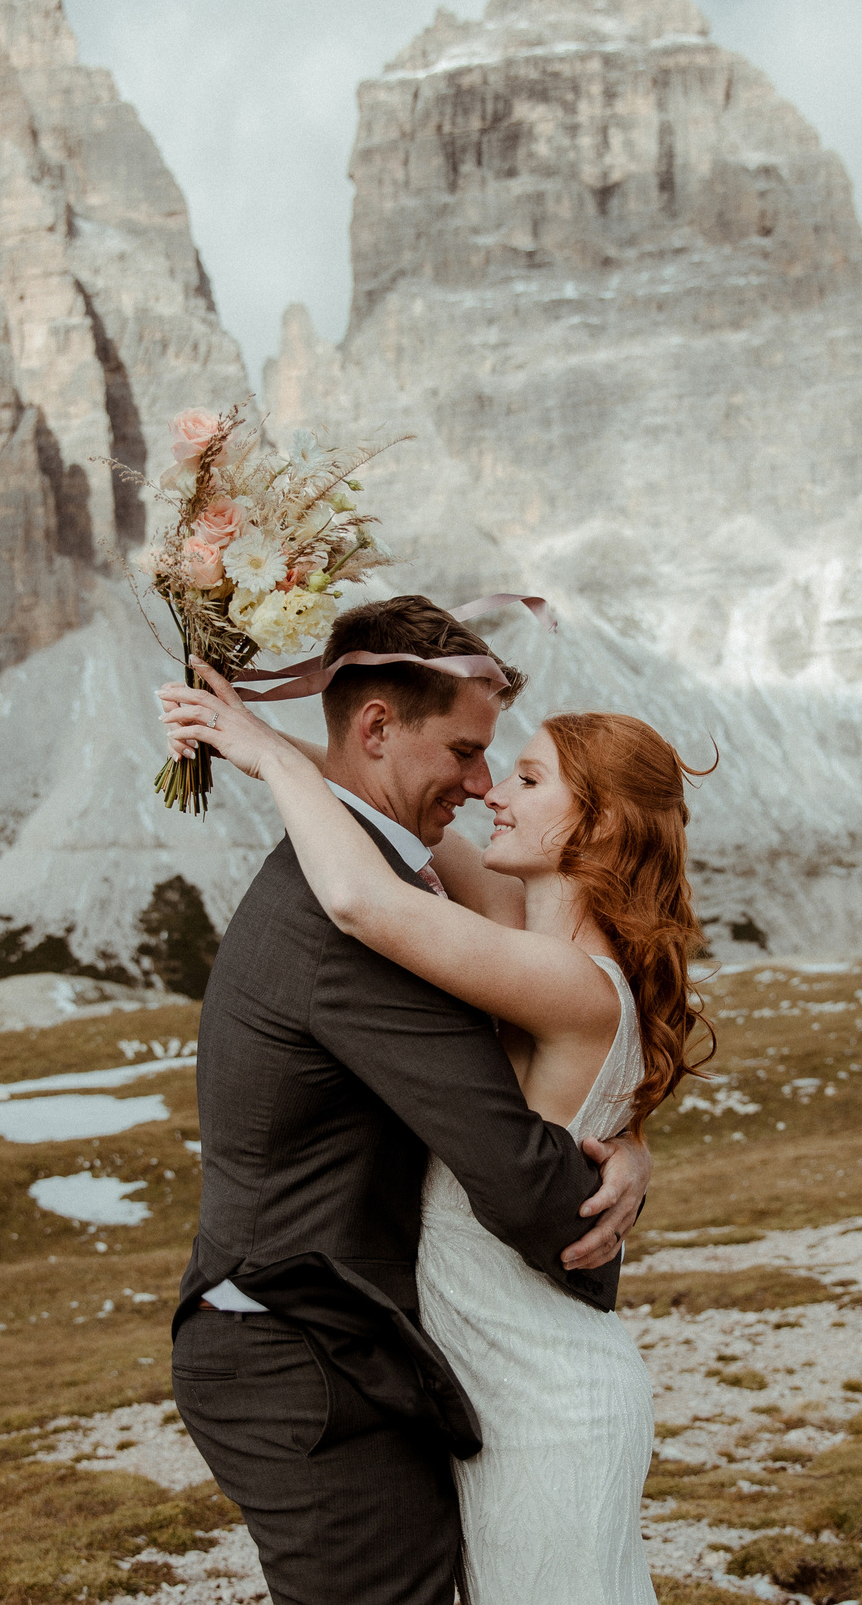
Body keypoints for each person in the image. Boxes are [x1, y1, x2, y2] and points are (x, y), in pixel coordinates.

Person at [161, 595, 712, 1605]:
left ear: (592, 825)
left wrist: (271, 755)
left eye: (523, 776)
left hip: (523, 1377)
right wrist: (272, 747)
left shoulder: (538, 962)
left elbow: (371, 892)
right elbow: (371, 853)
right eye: (474, 754)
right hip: (372, 1357)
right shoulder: (495, 918)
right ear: (378, 728)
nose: (489, 786)